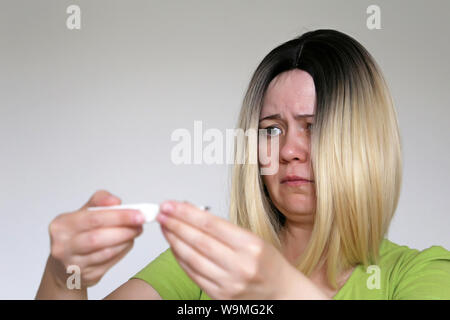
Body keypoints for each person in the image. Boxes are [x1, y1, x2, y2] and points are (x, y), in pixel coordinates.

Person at [35, 29, 450, 300]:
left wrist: (280, 288)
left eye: (313, 126)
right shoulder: (205, 266)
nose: (288, 150)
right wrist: (61, 276)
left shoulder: (418, 274)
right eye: (271, 129)